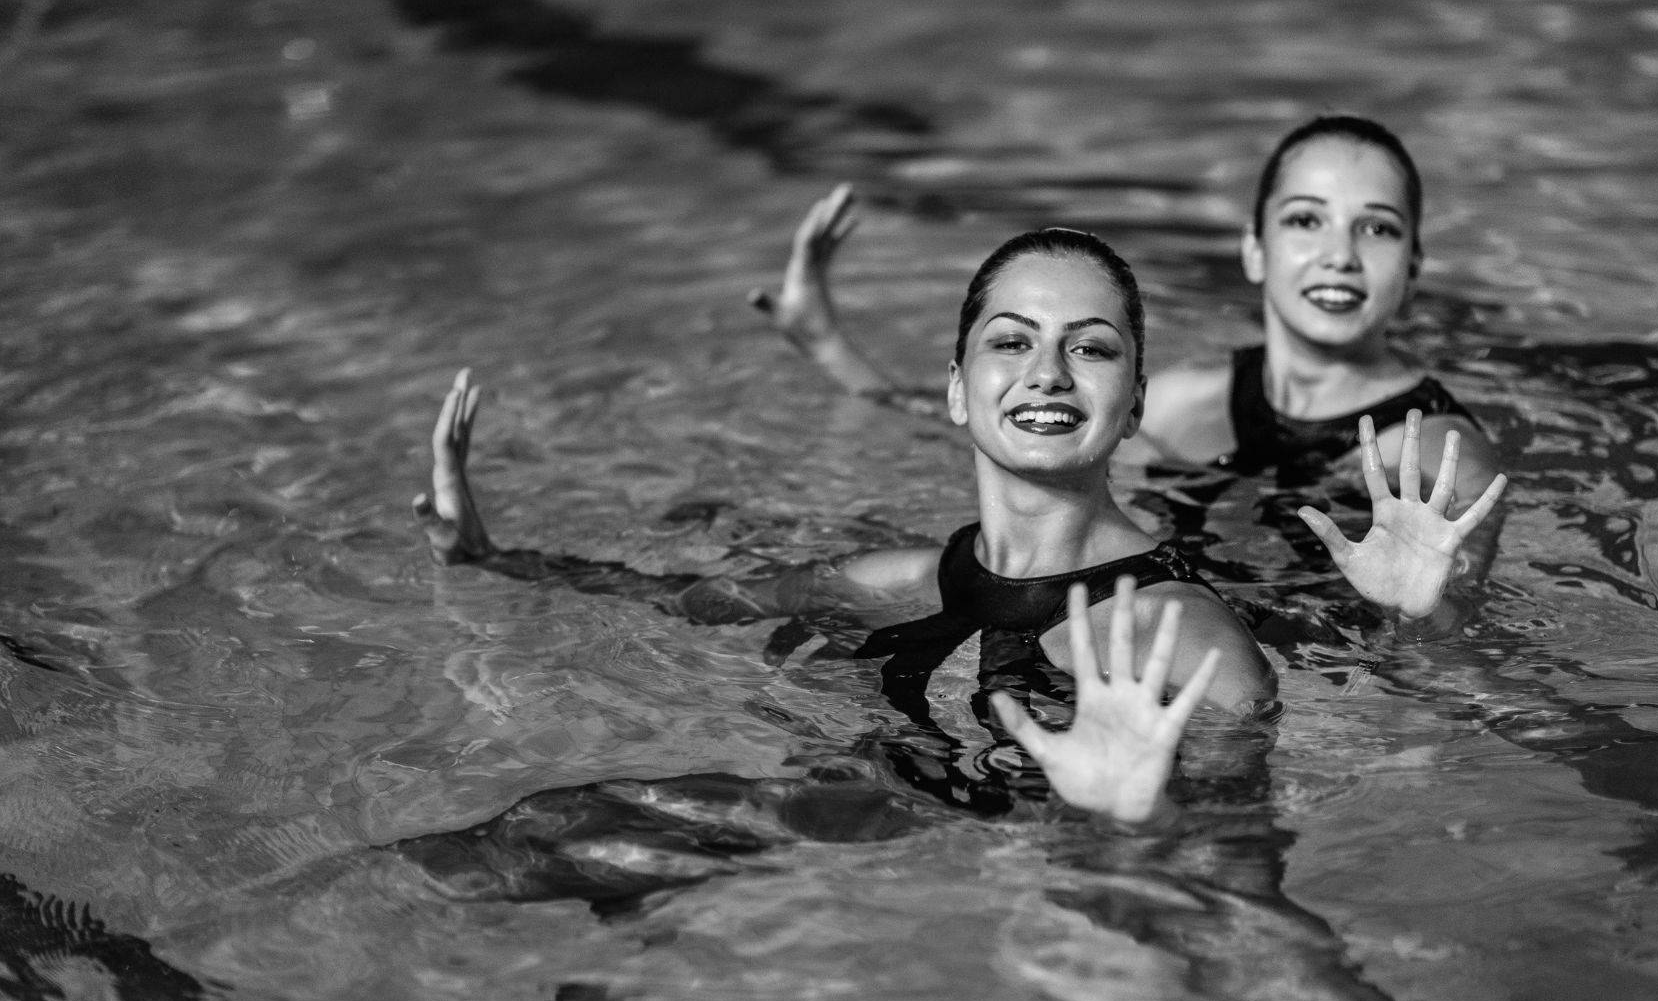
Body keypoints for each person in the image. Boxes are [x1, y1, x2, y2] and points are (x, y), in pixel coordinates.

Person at [416, 226, 1504, 824]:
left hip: (1020, 917)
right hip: (850, 842)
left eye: (1090, 346)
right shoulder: (896, 580)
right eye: (1010, 341)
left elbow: (1249, 893)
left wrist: (1129, 836)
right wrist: (493, 557)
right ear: (954, 389)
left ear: (1131, 405)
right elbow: (692, 600)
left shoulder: (1183, 639)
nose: (1045, 371)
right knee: (539, 836)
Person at [753, 115, 1504, 623]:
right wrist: (826, 343)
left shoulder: (1435, 456)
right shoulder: (1185, 398)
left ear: (1412, 267)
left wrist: (1418, 617)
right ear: (1252, 249)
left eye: (1376, 228)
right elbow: (995, 416)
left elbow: (1449, 657)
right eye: (1306, 219)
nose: (1338, 255)